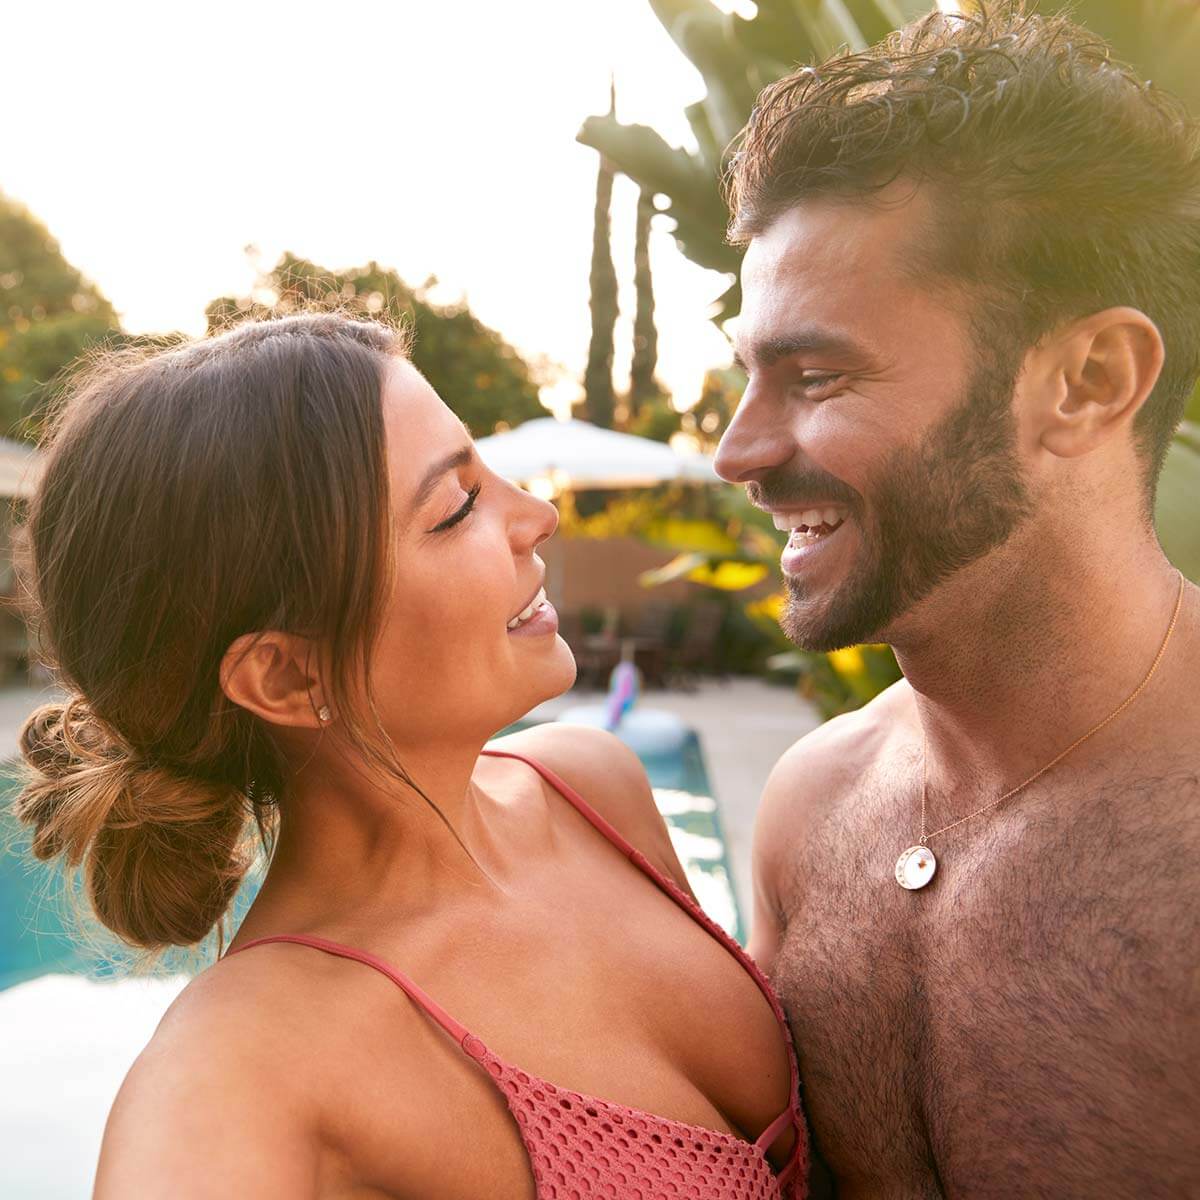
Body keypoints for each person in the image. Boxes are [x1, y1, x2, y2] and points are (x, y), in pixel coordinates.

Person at [11, 313, 807, 1198]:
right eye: (457, 507)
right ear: (285, 674)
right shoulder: (244, 1069)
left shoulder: (589, 787)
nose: (537, 517)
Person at [713, 3, 1200, 1196]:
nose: (738, 452)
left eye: (816, 375)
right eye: (748, 377)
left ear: (1087, 382)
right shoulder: (811, 808)